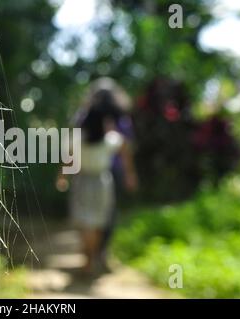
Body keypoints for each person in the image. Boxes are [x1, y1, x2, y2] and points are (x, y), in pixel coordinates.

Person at [60, 77, 137, 275]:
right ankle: (98, 255)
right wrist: (129, 173)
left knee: (86, 219)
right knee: (103, 218)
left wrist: (64, 175)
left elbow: (70, 155)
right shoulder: (117, 121)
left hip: (87, 175)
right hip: (106, 176)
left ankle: (91, 256)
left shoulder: (84, 119)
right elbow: (125, 146)